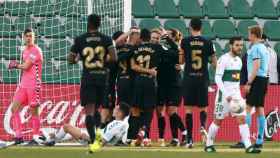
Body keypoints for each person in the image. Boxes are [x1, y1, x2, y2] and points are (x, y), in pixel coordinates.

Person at [68, 14, 117, 153]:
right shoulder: (106, 39)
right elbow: (114, 57)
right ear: (99, 24)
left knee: (89, 111)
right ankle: (97, 137)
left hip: (88, 77)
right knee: (98, 109)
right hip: (102, 77)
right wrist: (100, 60)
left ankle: (94, 141)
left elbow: (70, 59)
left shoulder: (80, 39)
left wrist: (79, 58)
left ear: (88, 24)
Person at [204, 37, 261, 153]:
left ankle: (248, 146)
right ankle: (208, 144)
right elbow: (217, 78)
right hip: (223, 96)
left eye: (241, 45)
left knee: (242, 119)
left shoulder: (239, 61)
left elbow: (235, 81)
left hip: (236, 96)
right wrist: (226, 94)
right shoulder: (223, 59)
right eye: (237, 45)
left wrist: (238, 96)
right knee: (217, 121)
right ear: (231, 46)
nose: (240, 47)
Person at [179, 18, 217, 148]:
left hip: (189, 78)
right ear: (201, 27)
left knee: (188, 109)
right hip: (202, 78)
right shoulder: (208, 42)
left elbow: (181, 61)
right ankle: (202, 127)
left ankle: (189, 139)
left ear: (190, 27)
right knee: (203, 107)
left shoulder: (184, 41)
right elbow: (214, 62)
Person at [9, 28, 44, 145]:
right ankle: (18, 136)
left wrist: (15, 65)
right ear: (23, 38)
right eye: (27, 36)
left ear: (34, 37)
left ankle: (36, 136)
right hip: (23, 85)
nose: (29, 38)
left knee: (34, 111)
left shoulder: (36, 50)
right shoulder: (25, 51)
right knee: (14, 108)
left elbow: (27, 66)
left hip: (34, 84)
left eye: (31, 36)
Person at [45, 102, 130, 149]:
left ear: (120, 112)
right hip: (94, 137)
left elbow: (103, 141)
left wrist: (88, 138)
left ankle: (52, 140)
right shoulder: (122, 123)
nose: (114, 109)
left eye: (116, 108)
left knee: (66, 127)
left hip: (92, 140)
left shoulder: (117, 124)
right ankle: (53, 138)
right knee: (68, 131)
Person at [130, 28, 163, 146]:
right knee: (149, 110)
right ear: (149, 38)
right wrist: (150, 71)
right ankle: (144, 134)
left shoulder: (135, 49)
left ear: (140, 38)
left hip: (138, 80)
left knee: (136, 110)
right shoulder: (157, 48)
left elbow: (133, 67)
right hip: (150, 82)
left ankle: (135, 137)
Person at [155, 28, 187, 147]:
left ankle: (184, 133)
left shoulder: (177, 49)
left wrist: (166, 38)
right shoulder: (161, 49)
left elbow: (178, 54)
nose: (164, 37)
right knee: (161, 111)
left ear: (173, 38)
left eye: (168, 35)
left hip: (174, 85)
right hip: (161, 84)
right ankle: (169, 138)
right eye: (164, 35)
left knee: (171, 112)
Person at [245, 26, 269, 148]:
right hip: (263, 79)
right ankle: (259, 140)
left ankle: (246, 139)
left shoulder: (255, 48)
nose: (248, 35)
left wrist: (249, 83)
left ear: (254, 35)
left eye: (249, 33)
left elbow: (256, 66)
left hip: (256, 80)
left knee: (248, 108)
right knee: (260, 109)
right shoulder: (264, 48)